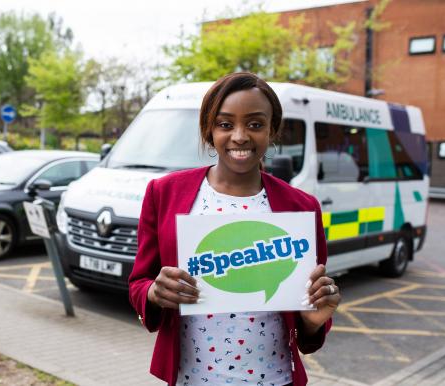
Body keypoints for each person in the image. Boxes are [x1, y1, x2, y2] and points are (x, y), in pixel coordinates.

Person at [128, 72, 341, 386]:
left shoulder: (302, 207)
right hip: (192, 378)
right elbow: (138, 283)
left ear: (272, 131)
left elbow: (307, 316)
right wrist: (154, 293)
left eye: (255, 124)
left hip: (274, 378)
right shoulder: (164, 194)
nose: (240, 136)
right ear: (208, 130)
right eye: (225, 124)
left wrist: (312, 321)